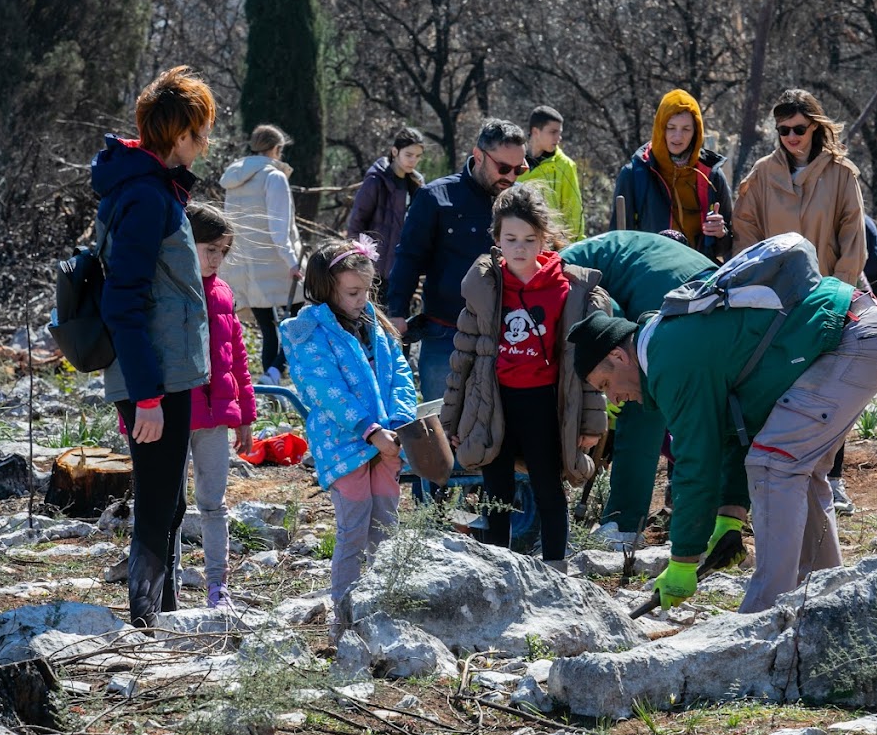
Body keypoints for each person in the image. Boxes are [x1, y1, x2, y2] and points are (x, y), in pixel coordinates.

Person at [568, 236, 877, 614]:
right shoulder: (667, 342)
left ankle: (764, 615)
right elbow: (735, 433)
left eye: (606, 385)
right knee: (799, 471)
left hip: (852, 337)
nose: (615, 400)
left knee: (775, 463)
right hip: (859, 329)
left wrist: (683, 561)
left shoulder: (668, 359)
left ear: (617, 355)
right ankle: (825, 601)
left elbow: (696, 461)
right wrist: (730, 518)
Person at [92, 65, 215, 629]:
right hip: (154, 376)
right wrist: (145, 395)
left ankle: (162, 610)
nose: (206, 142)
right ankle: (146, 619)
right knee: (158, 495)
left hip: (166, 371)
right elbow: (123, 301)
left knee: (168, 495)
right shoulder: (146, 196)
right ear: (178, 136)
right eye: (200, 132)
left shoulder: (155, 188)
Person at [440, 185, 608, 566]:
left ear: (543, 239)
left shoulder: (567, 289)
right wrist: (453, 418)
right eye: (511, 238)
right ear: (497, 239)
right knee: (496, 490)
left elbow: (586, 366)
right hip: (493, 401)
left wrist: (591, 422)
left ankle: (556, 570)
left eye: (530, 239)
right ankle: (501, 571)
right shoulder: (486, 288)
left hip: (544, 404)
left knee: (549, 489)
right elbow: (463, 356)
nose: (520, 248)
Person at [733, 89, 868, 515]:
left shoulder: (842, 174)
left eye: (799, 129)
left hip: (826, 295)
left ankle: (832, 477)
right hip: (774, 300)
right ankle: (775, 477)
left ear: (816, 127)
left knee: (831, 389)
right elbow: (746, 232)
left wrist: (839, 292)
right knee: (776, 386)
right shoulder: (760, 174)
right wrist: (756, 289)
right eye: (783, 130)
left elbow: (853, 238)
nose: (791, 137)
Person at [281, 237, 417, 638]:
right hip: (347, 446)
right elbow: (326, 391)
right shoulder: (306, 331)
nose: (361, 299)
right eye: (352, 292)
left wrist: (401, 421)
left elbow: (401, 375)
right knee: (354, 529)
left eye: (366, 290)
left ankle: (381, 614)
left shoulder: (375, 323)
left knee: (387, 529)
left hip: (387, 443)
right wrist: (369, 430)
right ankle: (344, 622)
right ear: (327, 288)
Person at [558, 231, 715, 539]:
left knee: (638, 402)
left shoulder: (556, 279)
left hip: (668, 293)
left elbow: (602, 337)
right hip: (705, 283)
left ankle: (624, 524)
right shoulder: (566, 262)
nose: (609, 395)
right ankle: (713, 517)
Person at [386, 118, 528, 400]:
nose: (511, 177)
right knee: (442, 423)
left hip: (507, 334)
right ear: (478, 156)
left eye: (520, 169)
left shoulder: (518, 203)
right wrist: (396, 313)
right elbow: (409, 257)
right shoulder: (434, 197)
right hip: (445, 335)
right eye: (503, 168)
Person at [185, 202, 256, 609]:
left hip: (215, 418)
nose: (216, 259)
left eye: (223, 251)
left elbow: (238, 358)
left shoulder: (224, 293)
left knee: (213, 504)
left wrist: (245, 415)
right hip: (174, 416)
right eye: (209, 248)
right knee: (170, 507)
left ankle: (218, 585)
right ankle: (167, 584)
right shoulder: (172, 289)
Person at [221, 124, 304, 385]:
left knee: (269, 329)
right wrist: (293, 262)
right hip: (276, 263)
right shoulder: (274, 177)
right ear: (276, 149)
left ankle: (271, 385)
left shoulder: (234, 179)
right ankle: (276, 372)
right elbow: (280, 228)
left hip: (246, 265)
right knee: (300, 321)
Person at [610, 89, 733, 260]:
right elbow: (616, 242)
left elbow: (731, 245)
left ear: (696, 132)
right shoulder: (634, 174)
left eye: (686, 129)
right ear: (661, 129)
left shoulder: (712, 175)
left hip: (699, 275)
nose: (678, 136)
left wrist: (721, 233)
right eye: (671, 127)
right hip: (649, 275)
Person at [347, 127, 426, 285]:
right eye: (408, 155)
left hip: (400, 270)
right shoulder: (376, 180)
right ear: (395, 152)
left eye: (417, 156)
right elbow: (357, 221)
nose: (413, 161)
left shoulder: (417, 185)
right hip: (371, 269)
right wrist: (358, 260)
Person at [522, 106, 585, 240]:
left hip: (553, 246)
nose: (559, 137)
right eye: (553, 132)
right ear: (535, 131)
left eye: (559, 132)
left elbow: (574, 211)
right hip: (519, 242)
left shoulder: (565, 165)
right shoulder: (514, 162)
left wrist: (575, 247)